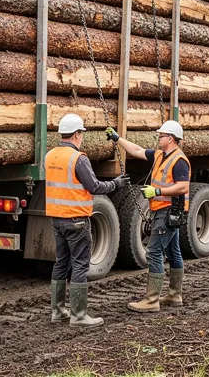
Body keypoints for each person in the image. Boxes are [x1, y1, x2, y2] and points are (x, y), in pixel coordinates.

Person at [45, 114, 130, 328]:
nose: (81, 137)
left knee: (61, 263)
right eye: (81, 133)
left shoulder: (50, 156)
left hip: (57, 219)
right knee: (81, 265)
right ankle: (79, 316)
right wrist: (116, 184)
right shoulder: (78, 158)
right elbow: (94, 187)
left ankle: (58, 312)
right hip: (76, 220)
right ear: (76, 134)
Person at [105, 121, 190, 313]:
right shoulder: (161, 155)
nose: (158, 138)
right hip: (164, 210)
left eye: (161, 136)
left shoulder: (179, 161)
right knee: (173, 252)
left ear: (170, 138)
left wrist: (157, 190)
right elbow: (137, 150)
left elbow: (183, 187)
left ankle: (152, 300)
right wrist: (118, 139)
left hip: (169, 211)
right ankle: (175, 295)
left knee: (153, 253)